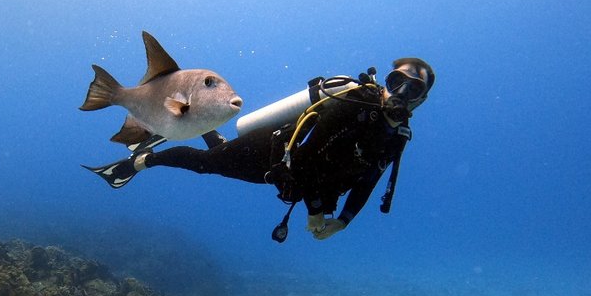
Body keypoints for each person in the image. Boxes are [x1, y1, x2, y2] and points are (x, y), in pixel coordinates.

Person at [84, 58, 435, 241]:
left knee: (220, 155)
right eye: (396, 82)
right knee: (208, 164)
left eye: (413, 89)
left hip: (287, 179)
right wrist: (316, 211)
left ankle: (204, 124)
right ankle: (143, 161)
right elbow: (309, 159)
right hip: (269, 152)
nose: (401, 93)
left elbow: (370, 179)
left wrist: (343, 220)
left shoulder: (397, 136)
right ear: (384, 83)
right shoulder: (354, 104)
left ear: (422, 100)